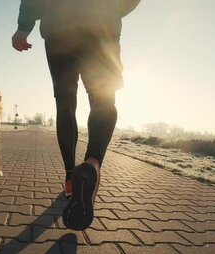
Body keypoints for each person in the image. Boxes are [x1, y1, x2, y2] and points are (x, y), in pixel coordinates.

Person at [13, 0, 141, 230]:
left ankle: (71, 178)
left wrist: (24, 26)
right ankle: (92, 163)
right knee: (103, 97)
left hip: (59, 28)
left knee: (65, 103)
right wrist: (111, 9)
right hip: (102, 24)